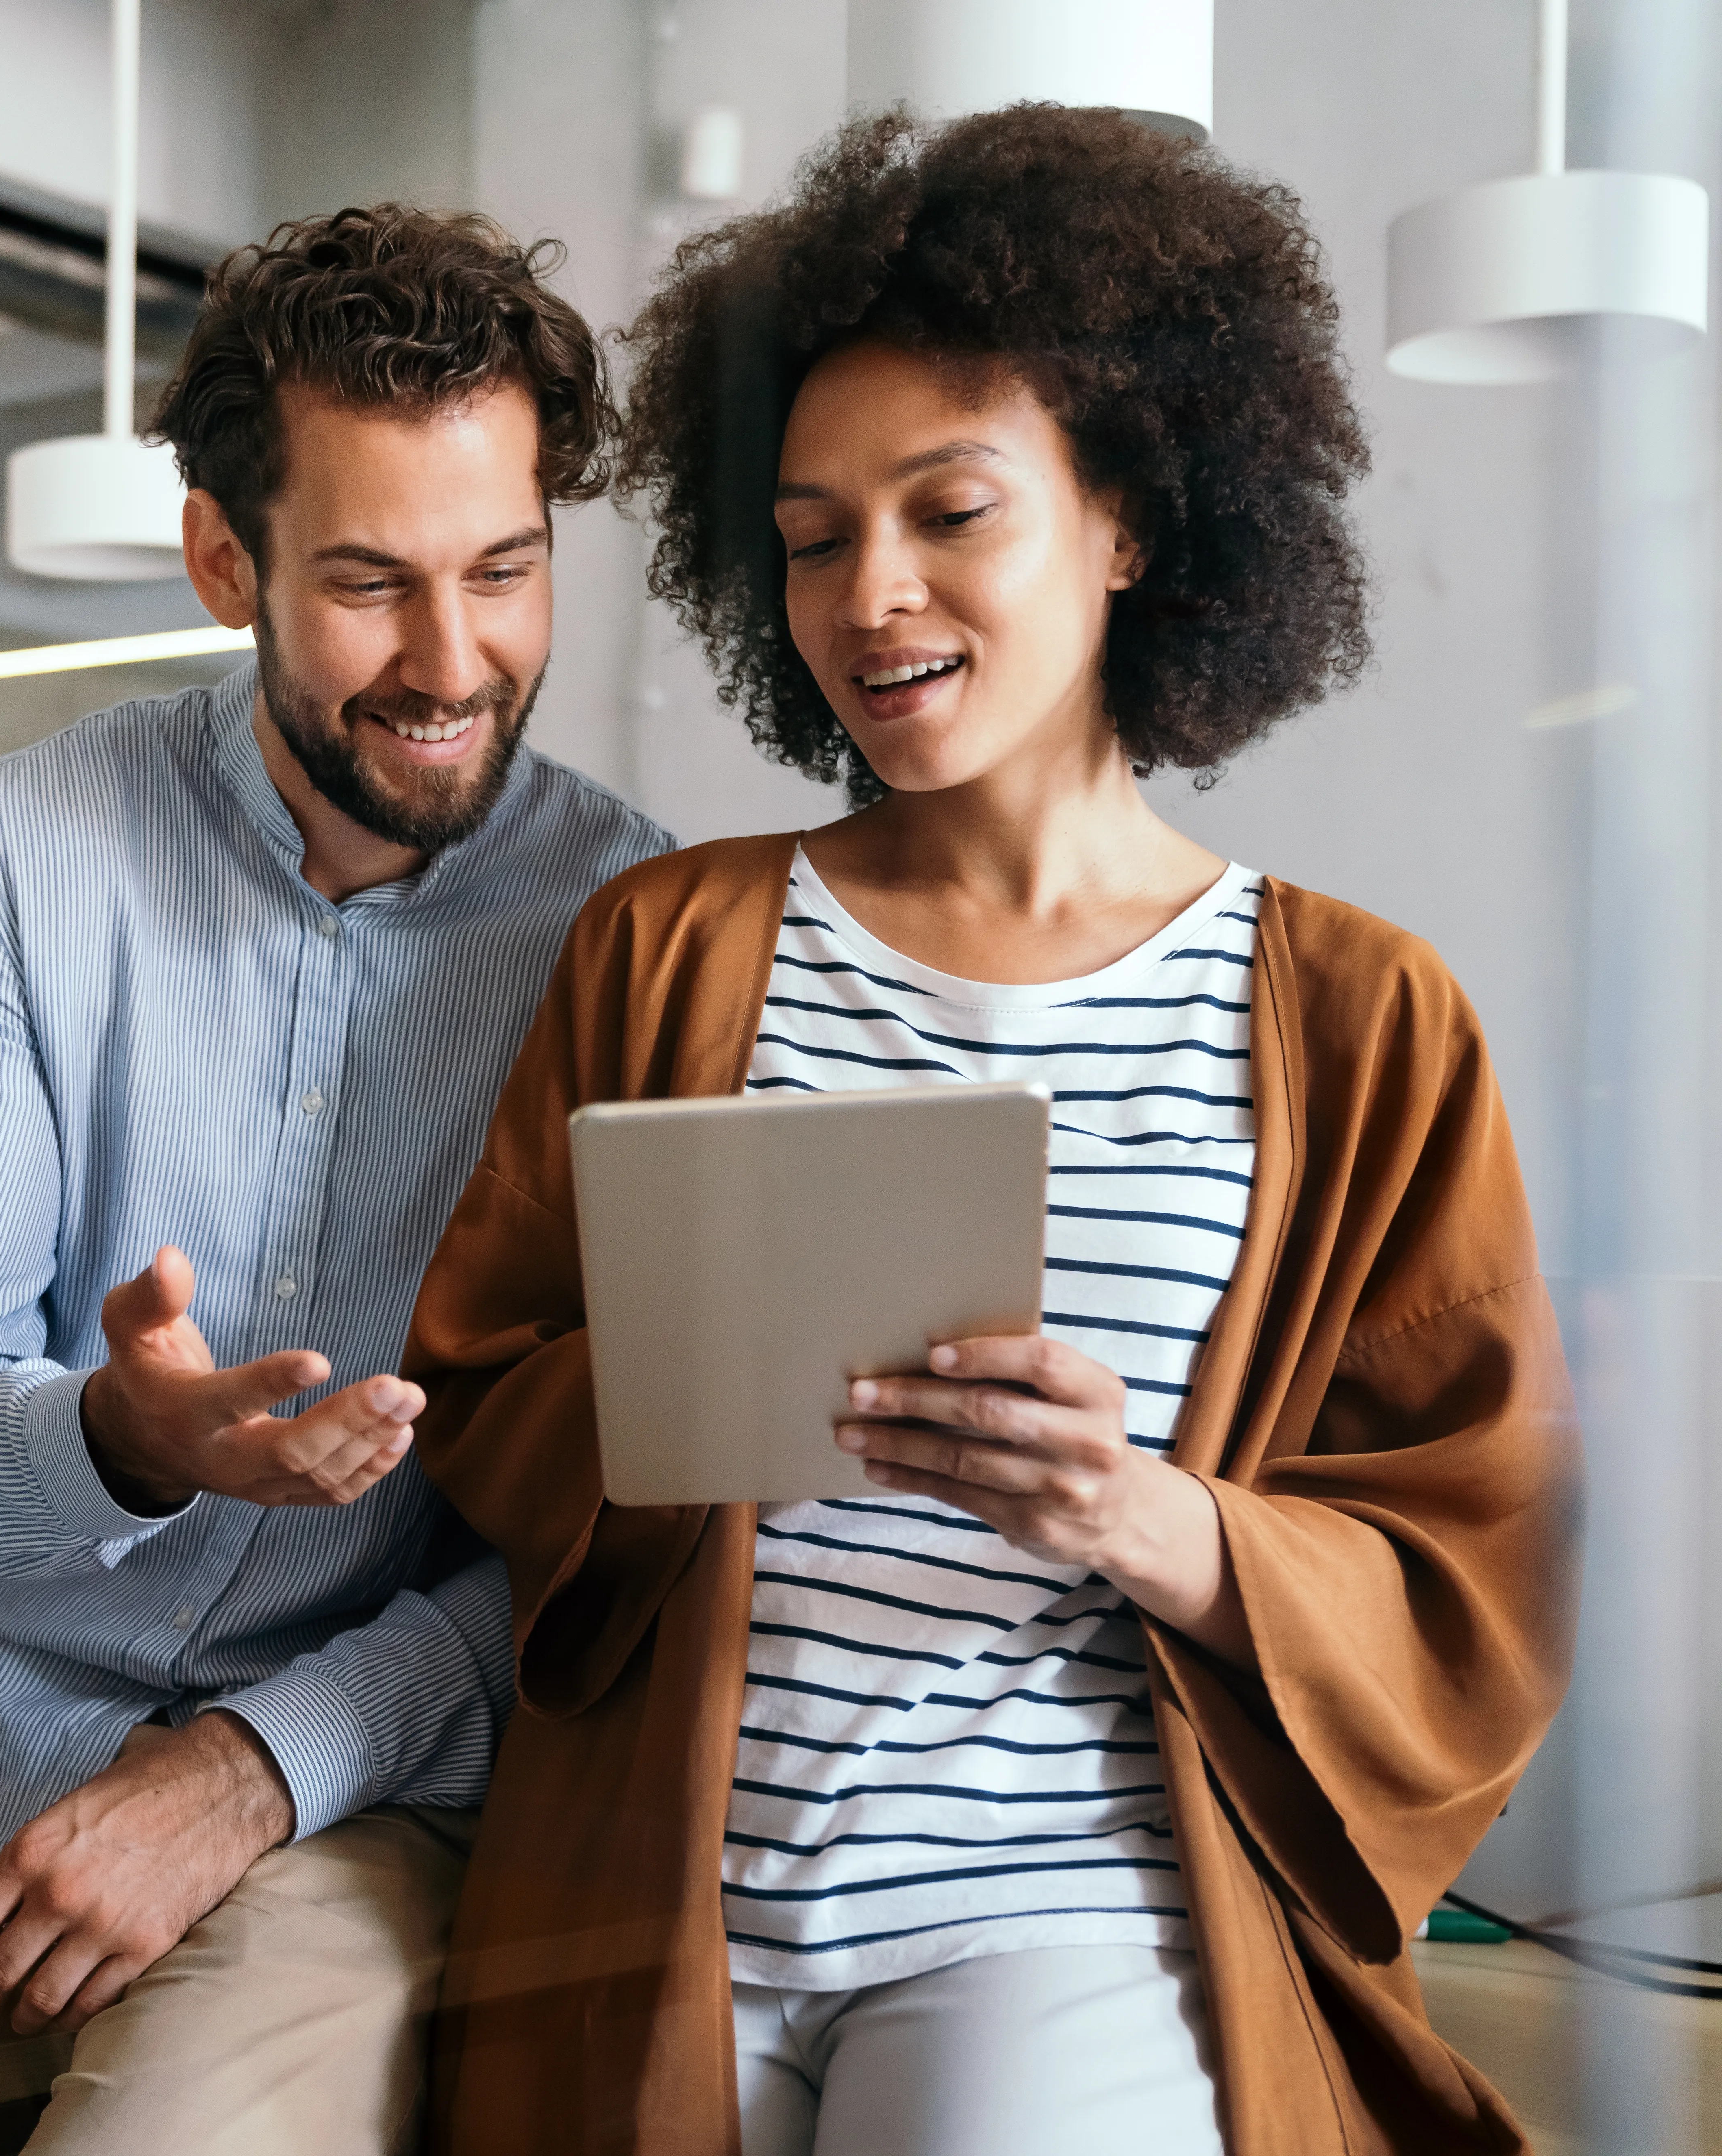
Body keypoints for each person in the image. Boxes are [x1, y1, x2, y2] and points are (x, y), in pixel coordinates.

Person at [402, 109, 1579, 2156]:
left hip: (1062, 1916)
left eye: (950, 510)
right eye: (808, 537)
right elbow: (481, 1386)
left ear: (1127, 520)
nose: (870, 596)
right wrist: (690, 1376)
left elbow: (1472, 1551)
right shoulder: (667, 943)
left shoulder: (1356, 1019)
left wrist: (1144, 1517)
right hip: (650, 1897)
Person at [0, 204, 675, 2156]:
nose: (452, 660)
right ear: (221, 561)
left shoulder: (632, 926)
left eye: (503, 571)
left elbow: (612, 1541)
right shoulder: (15, 855)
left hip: (342, 1807)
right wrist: (119, 1440)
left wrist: (249, 1767)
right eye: (367, 583)